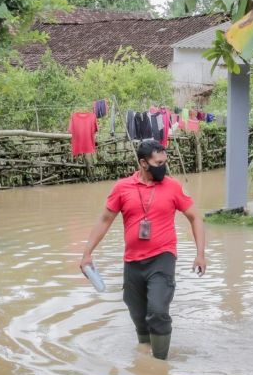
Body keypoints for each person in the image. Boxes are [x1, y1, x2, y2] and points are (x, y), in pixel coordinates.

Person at [79, 139, 206, 360]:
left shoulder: (173, 186)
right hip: (133, 262)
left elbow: (195, 217)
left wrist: (200, 254)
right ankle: (145, 357)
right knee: (137, 313)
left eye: (165, 162)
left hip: (162, 258)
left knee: (157, 311)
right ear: (143, 163)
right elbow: (105, 219)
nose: (163, 167)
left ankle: (160, 365)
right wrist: (87, 253)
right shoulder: (122, 188)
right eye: (158, 163)